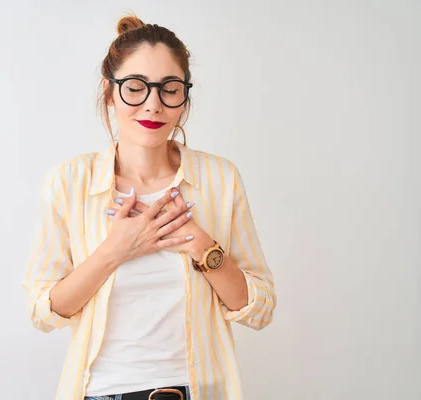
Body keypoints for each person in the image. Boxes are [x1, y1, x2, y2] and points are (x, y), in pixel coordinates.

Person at [22, 14, 276, 400]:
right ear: (110, 93)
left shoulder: (220, 180)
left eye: (169, 89)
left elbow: (258, 309)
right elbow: (44, 312)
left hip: (198, 392)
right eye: (136, 87)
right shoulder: (68, 183)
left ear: (184, 96)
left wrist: (200, 245)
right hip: (102, 393)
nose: (153, 105)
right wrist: (114, 251)